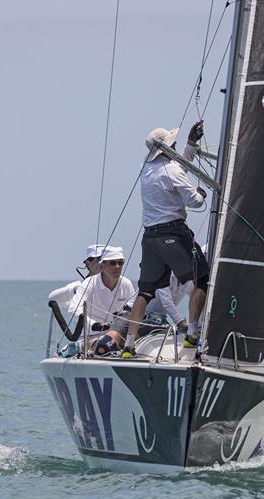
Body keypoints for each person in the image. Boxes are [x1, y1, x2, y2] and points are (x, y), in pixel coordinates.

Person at [121, 121, 210, 359]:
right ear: (169, 147)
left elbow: (178, 167)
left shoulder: (146, 168)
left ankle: (128, 345)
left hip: (149, 237)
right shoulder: (171, 171)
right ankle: (192, 333)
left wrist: (191, 145)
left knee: (145, 291)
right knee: (201, 276)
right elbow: (194, 201)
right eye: (175, 144)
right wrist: (200, 195)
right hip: (173, 233)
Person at [68, 246, 136, 340]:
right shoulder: (89, 283)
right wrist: (94, 325)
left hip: (117, 336)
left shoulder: (126, 284)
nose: (117, 266)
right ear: (102, 266)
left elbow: (133, 311)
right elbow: (73, 309)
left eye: (120, 263)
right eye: (113, 263)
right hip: (90, 336)